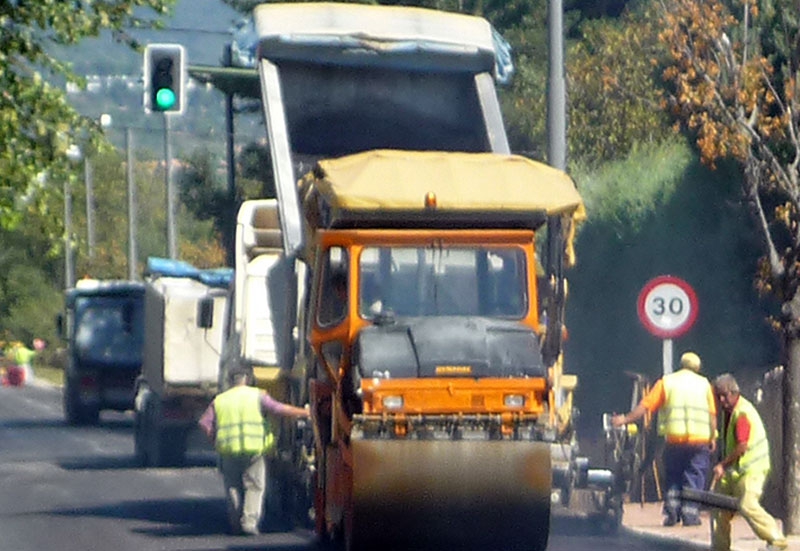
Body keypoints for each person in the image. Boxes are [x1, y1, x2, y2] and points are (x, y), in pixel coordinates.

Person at [198, 368, 309, 536]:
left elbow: (205, 423)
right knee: (255, 486)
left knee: (233, 486)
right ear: (248, 379)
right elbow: (279, 409)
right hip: (253, 449)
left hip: (228, 450)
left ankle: (235, 522)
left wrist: (215, 440)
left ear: (230, 381)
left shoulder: (220, 400)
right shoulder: (258, 395)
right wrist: (305, 413)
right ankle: (249, 523)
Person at [611, 351, 717, 527]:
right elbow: (712, 415)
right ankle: (690, 515)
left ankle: (672, 513)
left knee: (674, 476)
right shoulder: (704, 385)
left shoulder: (667, 382)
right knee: (694, 476)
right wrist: (713, 437)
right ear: (697, 367)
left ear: (681, 364)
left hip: (674, 440)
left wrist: (625, 419)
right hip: (700, 441)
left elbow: (646, 406)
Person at [711, 373, 787, 551]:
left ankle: (776, 539)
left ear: (734, 392)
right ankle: (720, 547)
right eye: (718, 396)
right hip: (736, 471)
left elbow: (742, 446)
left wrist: (722, 465)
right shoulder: (729, 412)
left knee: (747, 504)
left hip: (752, 470)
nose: (721, 400)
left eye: (724, 395)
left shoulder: (742, 413)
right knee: (718, 507)